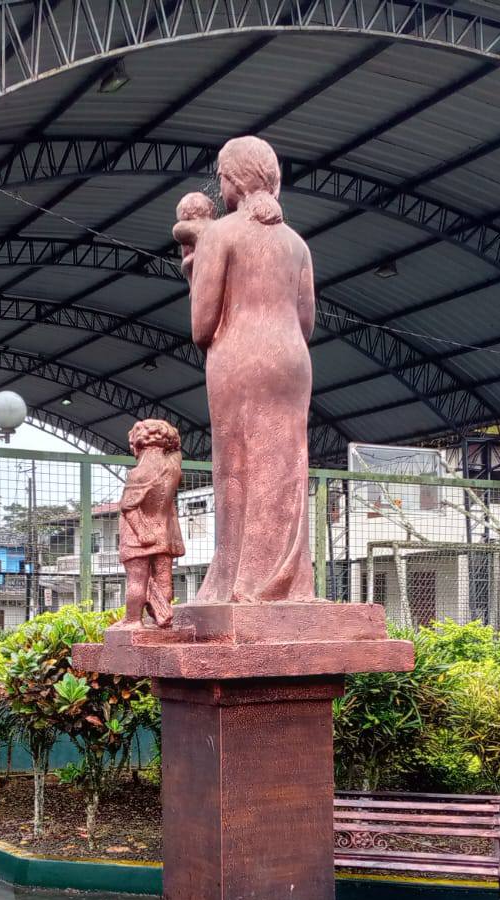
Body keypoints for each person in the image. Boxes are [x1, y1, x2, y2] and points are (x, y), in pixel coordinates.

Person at [184, 136, 317, 604]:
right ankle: (290, 582)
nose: (220, 186)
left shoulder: (220, 234)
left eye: (222, 177)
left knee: (237, 464)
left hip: (240, 354)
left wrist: (193, 272)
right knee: (288, 464)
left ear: (235, 180)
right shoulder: (297, 244)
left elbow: (202, 325)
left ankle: (238, 580)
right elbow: (306, 321)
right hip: (291, 359)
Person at [113, 419, 186, 628]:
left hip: (139, 537)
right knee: (163, 579)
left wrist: (143, 533)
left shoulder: (139, 474)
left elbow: (128, 507)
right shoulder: (173, 469)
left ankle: (133, 620)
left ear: (137, 444)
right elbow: (177, 452)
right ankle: (162, 618)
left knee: (137, 580)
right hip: (165, 534)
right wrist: (172, 442)